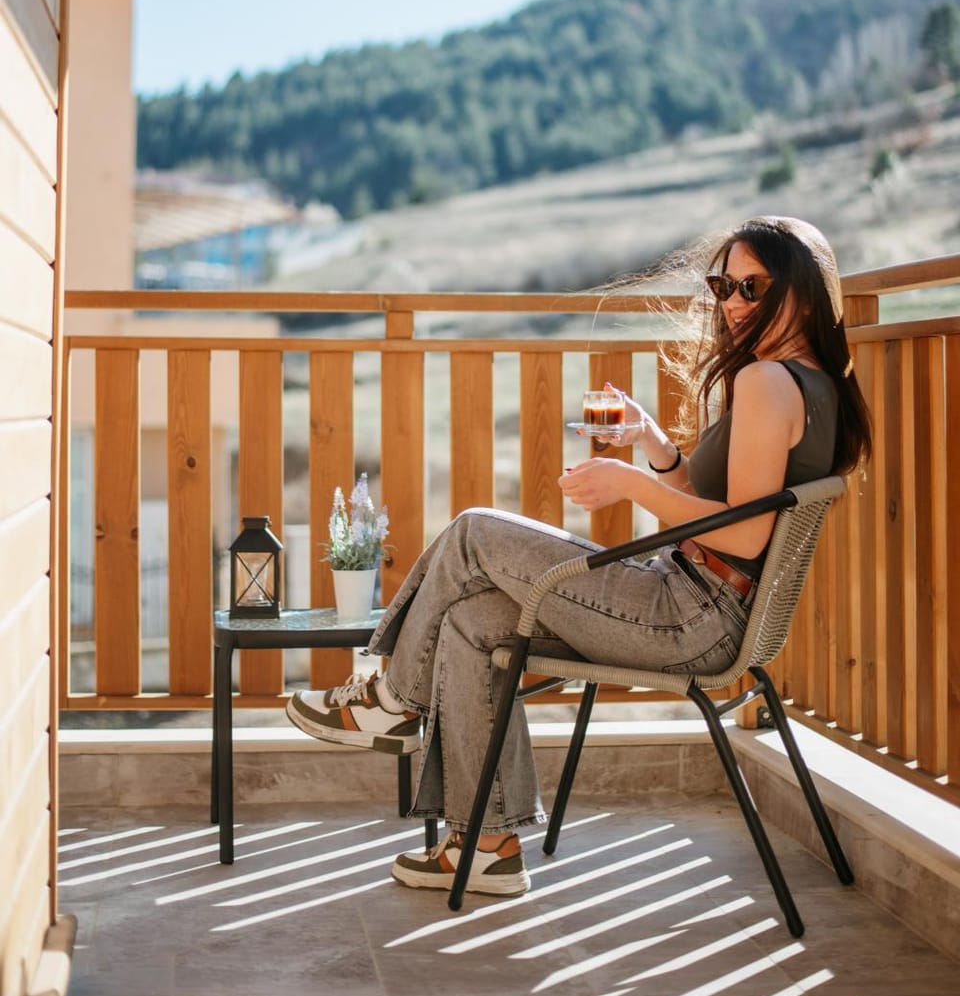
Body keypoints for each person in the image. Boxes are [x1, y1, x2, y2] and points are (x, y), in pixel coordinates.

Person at [286, 215, 871, 898]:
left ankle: (393, 698)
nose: (735, 302)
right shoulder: (812, 382)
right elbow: (733, 507)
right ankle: (487, 847)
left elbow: (743, 537)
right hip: (696, 606)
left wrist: (633, 487)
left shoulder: (767, 381)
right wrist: (654, 443)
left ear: (801, 288)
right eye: (724, 285)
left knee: (474, 529)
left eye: (753, 285)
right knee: (475, 620)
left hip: (687, 615)